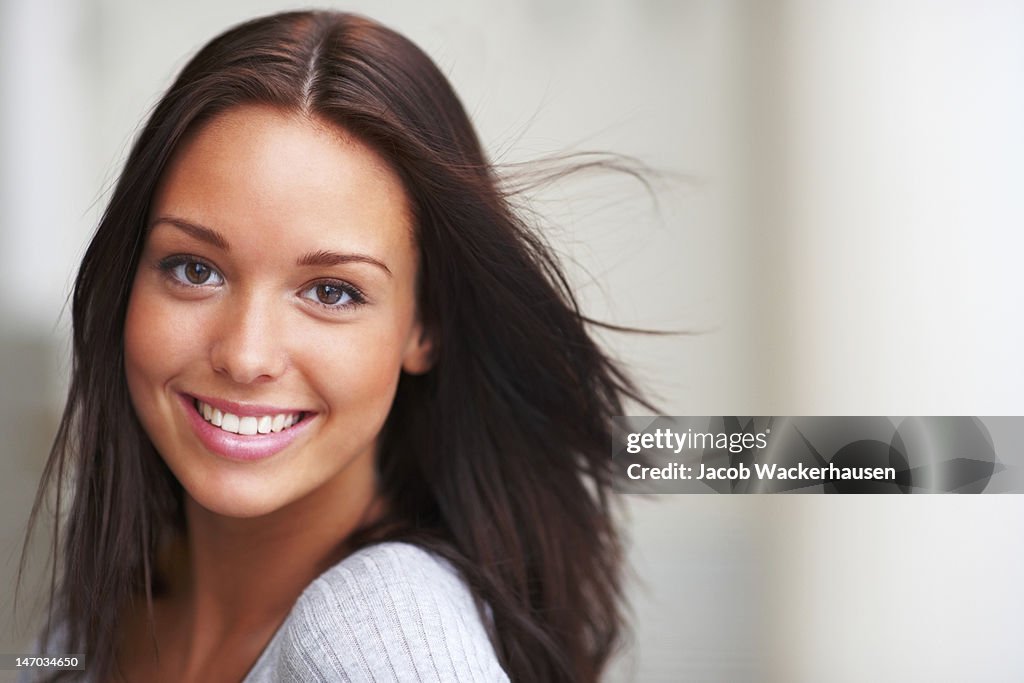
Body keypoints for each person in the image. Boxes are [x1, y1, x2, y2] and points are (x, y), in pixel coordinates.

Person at [21, 9, 646, 682]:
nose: (246, 354)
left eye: (332, 292)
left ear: (423, 326)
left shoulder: (373, 630)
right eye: (194, 269)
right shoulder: (97, 615)